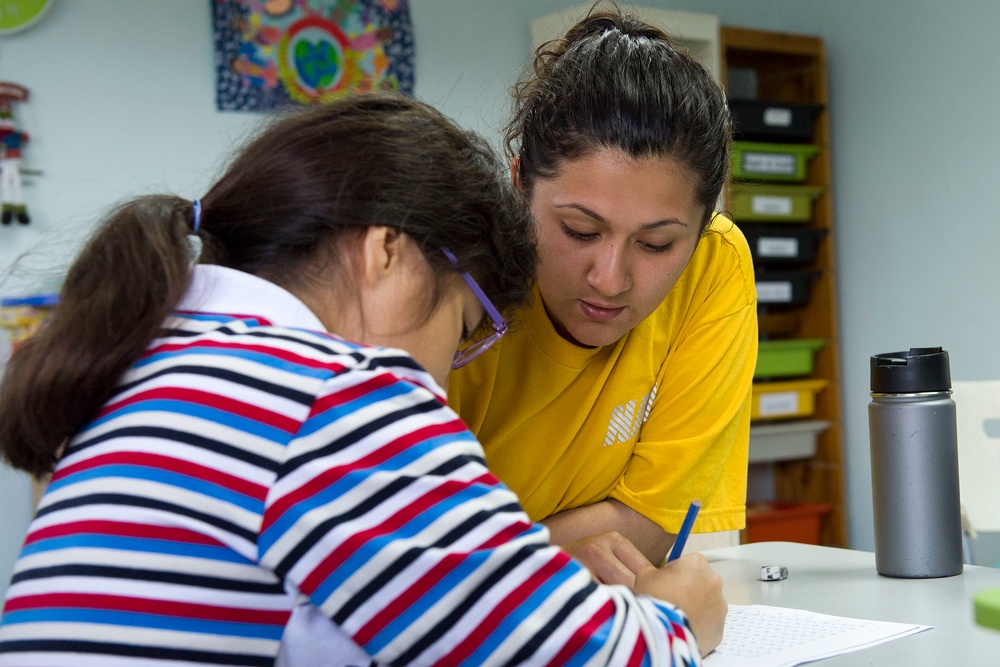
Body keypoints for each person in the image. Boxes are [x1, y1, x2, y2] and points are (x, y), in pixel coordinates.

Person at [0, 93, 726, 665]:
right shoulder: (330, 395)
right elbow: (603, 655)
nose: (445, 376)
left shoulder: (159, 359)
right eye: (464, 328)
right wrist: (676, 614)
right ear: (385, 254)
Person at [448, 4, 758, 570]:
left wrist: (496, 560)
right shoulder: (455, 280)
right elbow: (409, 552)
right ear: (519, 187)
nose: (610, 279)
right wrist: (538, 556)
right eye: (580, 230)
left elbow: (653, 522)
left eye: (657, 244)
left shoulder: (716, 265)